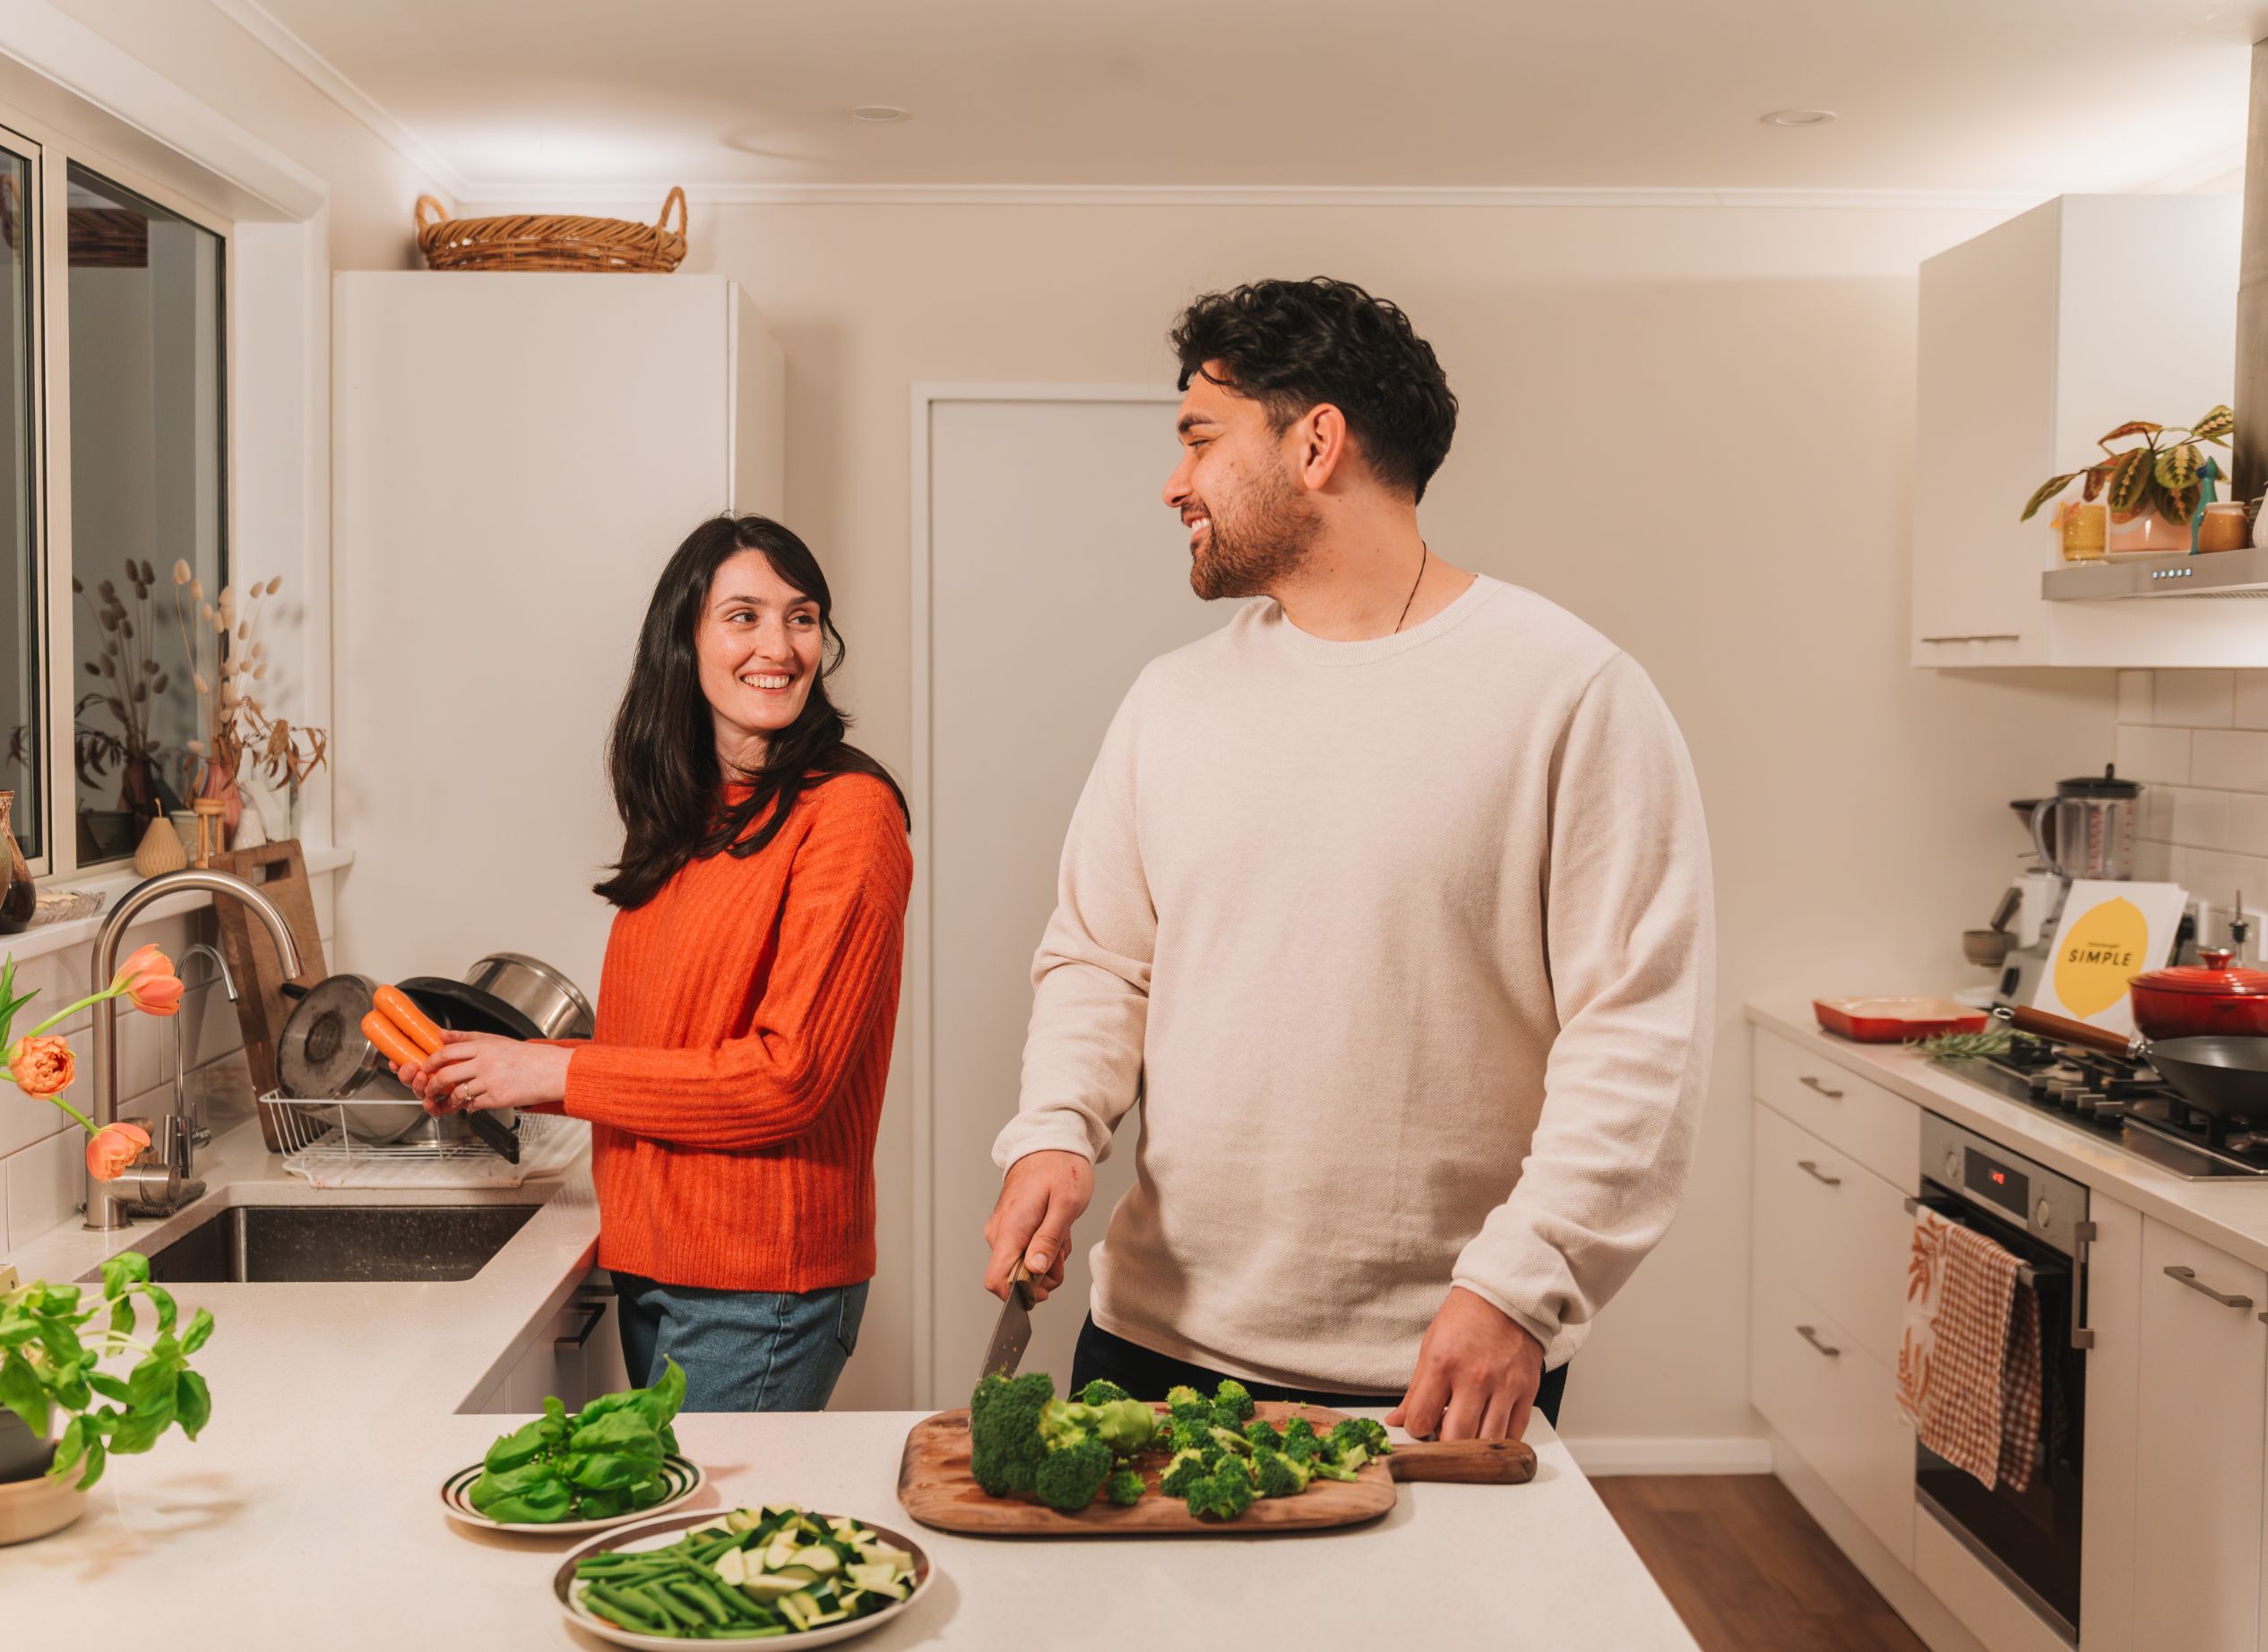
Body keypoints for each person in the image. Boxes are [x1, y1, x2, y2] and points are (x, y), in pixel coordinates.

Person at [983, 278, 1713, 1441]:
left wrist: (1520, 1287)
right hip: (1148, 1343)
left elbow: (1636, 1035)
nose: (1173, 482)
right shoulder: (1168, 702)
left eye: (1198, 439)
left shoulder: (1568, 693)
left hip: (1439, 1360)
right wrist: (1057, 1131)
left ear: (1314, 441)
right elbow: (1097, 960)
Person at [399, 515, 911, 1411]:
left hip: (760, 1284)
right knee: (679, 1540)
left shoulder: (848, 815)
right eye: (743, 616)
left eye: (800, 617)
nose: (778, 646)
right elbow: (664, 1054)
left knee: (703, 1549)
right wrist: (497, 1073)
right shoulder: (686, 814)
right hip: (652, 1260)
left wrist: (547, 1065)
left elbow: (785, 1079)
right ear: (685, 639)